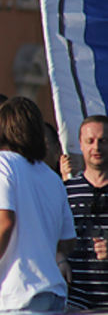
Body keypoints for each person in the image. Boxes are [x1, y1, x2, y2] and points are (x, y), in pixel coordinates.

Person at [0, 97, 76, 314]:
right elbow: (68, 239)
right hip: (54, 292)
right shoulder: (51, 176)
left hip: (18, 294)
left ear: (1, 128)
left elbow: (3, 222)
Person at [64, 115, 108, 310]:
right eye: (90, 141)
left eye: (103, 141)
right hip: (76, 299)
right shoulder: (65, 191)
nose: (96, 147)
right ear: (80, 144)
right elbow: (51, 238)